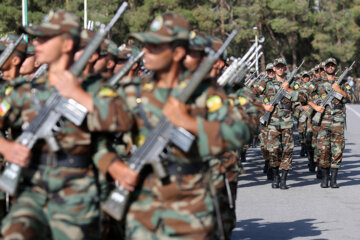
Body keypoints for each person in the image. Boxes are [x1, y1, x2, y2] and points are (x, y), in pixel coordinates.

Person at [103, 13, 251, 239]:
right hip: (142, 207)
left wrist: (188, 122)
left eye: (155, 46)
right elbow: (93, 135)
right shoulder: (132, 91)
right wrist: (113, 166)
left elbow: (239, 132)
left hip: (191, 207)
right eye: (146, 45)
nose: (146, 51)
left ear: (178, 52)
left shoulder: (204, 92)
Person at [0, 10, 133, 239]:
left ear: (67, 44)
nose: (37, 43)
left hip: (78, 193)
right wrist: (6, 148)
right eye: (36, 37)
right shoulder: (26, 90)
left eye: (45, 38)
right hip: (32, 188)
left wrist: (79, 95)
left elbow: (123, 121)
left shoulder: (97, 90)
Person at [304, 58, 355, 188]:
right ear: (324, 68)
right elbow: (303, 96)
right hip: (322, 122)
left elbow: (353, 98)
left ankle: (334, 179)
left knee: (337, 150)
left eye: (333, 66)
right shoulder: (316, 82)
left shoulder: (343, 83)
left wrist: (339, 90)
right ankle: (325, 178)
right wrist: (315, 107)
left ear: (336, 68)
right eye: (328, 66)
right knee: (323, 150)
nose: (331, 68)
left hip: (337, 121)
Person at [256, 58, 298, 189]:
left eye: (282, 67)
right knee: (273, 150)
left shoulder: (292, 83)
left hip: (287, 123)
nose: (280, 69)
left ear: (285, 68)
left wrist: (289, 90)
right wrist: (264, 106)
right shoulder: (266, 83)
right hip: (272, 123)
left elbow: (302, 98)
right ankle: (276, 176)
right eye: (277, 67)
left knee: (287, 150)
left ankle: (284, 179)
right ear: (274, 69)